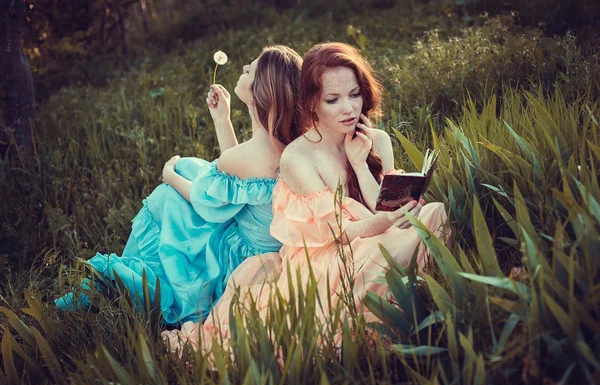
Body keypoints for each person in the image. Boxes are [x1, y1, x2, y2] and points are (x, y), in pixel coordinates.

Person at [161, 42, 450, 355]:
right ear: (311, 103)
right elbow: (338, 234)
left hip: (371, 231)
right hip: (326, 252)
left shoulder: (374, 138)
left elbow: (379, 205)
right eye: (333, 100)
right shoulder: (297, 157)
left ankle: (426, 297)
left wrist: (358, 163)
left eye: (355, 94)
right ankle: (397, 311)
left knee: (435, 214)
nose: (349, 109)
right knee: (385, 251)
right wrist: (384, 222)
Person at [55, 45, 303, 325]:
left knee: (167, 196)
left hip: (242, 258)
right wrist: (222, 119)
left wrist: (169, 175)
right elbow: (235, 178)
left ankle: (122, 281)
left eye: (249, 70)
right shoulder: (286, 145)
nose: (243, 69)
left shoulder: (251, 154)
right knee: (192, 166)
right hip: (266, 245)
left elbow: (205, 200)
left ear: (260, 92)